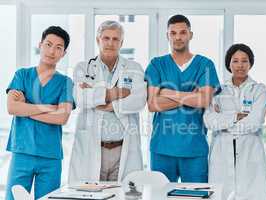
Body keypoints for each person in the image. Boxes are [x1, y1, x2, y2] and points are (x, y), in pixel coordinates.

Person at [68, 20, 146, 183]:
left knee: (122, 195)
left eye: (116, 39)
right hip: (92, 147)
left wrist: (107, 103)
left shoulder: (134, 68)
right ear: (98, 40)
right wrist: (116, 93)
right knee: (91, 194)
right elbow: (81, 98)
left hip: (123, 148)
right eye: (106, 38)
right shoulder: (83, 68)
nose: (110, 43)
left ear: (121, 42)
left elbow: (138, 100)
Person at [145, 14, 220, 182]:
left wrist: (166, 92)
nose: (178, 37)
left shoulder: (205, 64)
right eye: (173, 33)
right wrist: (191, 95)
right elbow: (152, 104)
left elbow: (203, 101)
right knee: (161, 195)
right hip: (162, 147)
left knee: (195, 195)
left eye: (183, 32)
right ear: (167, 36)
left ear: (190, 35)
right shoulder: (157, 64)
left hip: (194, 148)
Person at [5, 26, 75, 200]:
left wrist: (26, 107)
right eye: (48, 44)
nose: (52, 51)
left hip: (50, 156)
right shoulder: (22, 75)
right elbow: (12, 108)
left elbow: (62, 117)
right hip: (22, 151)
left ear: (63, 53)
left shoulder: (65, 82)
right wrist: (48, 107)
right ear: (40, 45)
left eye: (58, 47)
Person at [204, 44, 266, 200]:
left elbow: (255, 121)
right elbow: (209, 121)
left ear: (250, 64)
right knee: (221, 194)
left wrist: (224, 124)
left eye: (244, 61)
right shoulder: (217, 90)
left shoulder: (259, 89)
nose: (240, 65)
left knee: (251, 194)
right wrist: (235, 116)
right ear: (229, 64)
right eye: (235, 61)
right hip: (222, 152)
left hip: (249, 150)